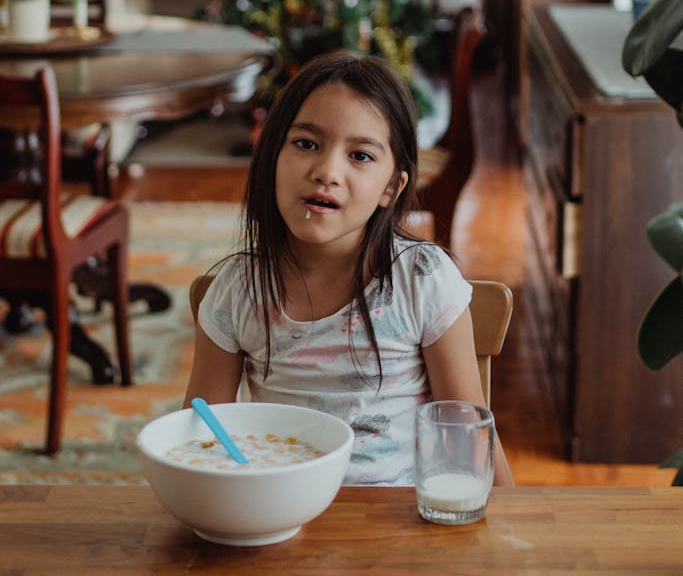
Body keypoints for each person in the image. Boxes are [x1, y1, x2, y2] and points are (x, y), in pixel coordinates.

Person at [184, 51, 514, 486]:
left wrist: (512, 534)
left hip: (399, 533)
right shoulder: (237, 290)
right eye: (306, 144)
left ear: (391, 188)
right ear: (272, 155)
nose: (327, 172)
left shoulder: (422, 280)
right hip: (277, 519)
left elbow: (469, 440)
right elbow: (200, 438)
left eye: (360, 155)